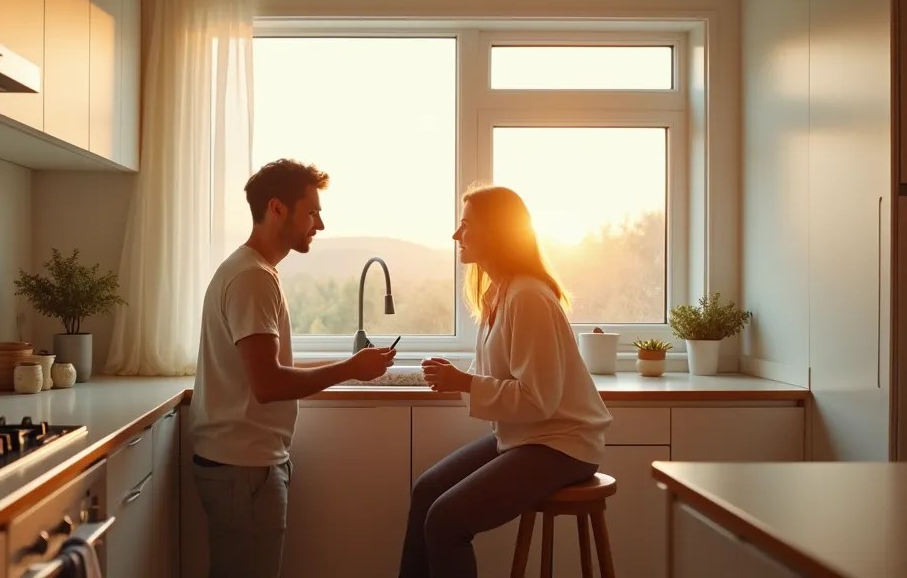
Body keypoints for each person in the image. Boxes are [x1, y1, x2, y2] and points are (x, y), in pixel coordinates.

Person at [189, 158, 398, 578]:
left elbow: (269, 367)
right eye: (312, 212)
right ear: (277, 208)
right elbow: (268, 383)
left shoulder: (253, 271)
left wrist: (352, 365)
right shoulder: (252, 278)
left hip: (242, 466)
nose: (319, 224)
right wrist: (350, 369)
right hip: (245, 470)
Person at [399, 184, 613, 578]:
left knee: (447, 521)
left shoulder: (528, 297)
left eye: (466, 225)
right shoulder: (498, 295)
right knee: (426, 490)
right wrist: (457, 377)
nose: (456, 235)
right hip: (527, 437)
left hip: (563, 445)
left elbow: (538, 399)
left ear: (495, 232)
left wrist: (464, 382)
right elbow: (501, 375)